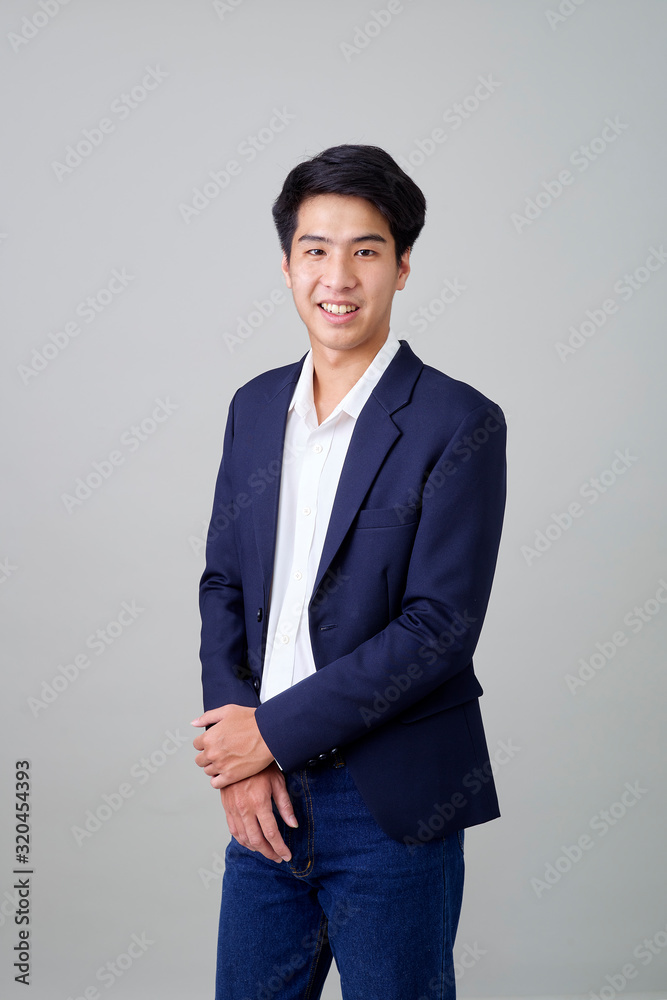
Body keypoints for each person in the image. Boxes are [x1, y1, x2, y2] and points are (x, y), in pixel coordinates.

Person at [192, 144, 507, 999]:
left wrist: (271, 731)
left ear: (401, 267)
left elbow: (438, 626)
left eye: (366, 250)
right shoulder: (255, 405)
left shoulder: (458, 421)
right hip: (265, 795)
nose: (338, 276)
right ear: (287, 265)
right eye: (315, 250)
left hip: (392, 803)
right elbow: (224, 584)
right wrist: (238, 751)